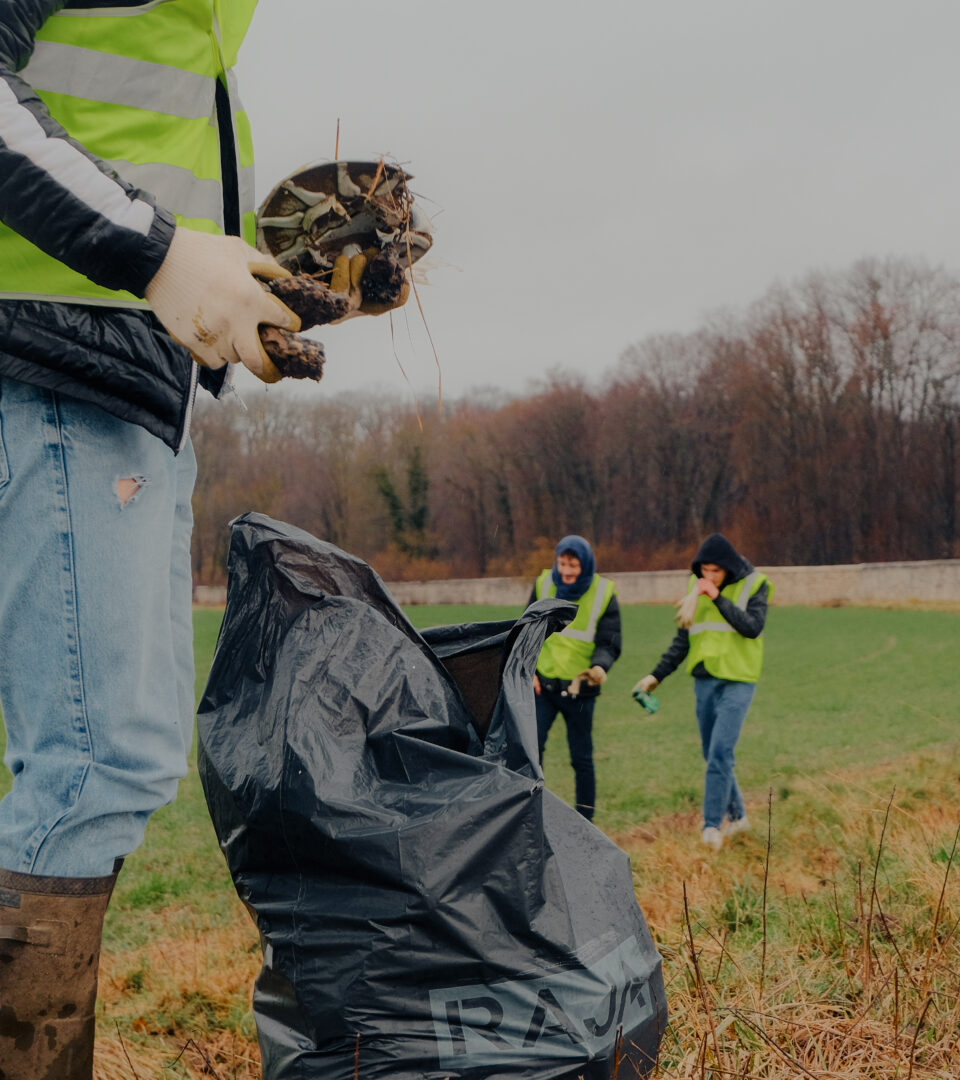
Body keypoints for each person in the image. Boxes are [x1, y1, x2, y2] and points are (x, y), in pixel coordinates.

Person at [0, 4, 402, 1075]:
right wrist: (157, 257)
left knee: (101, 761)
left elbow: (128, 124)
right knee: (96, 765)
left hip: (112, 358)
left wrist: (258, 271)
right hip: (53, 343)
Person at [633, 533, 773, 852]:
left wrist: (717, 598)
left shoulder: (755, 584)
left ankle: (711, 826)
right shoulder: (693, 590)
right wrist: (656, 676)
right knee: (712, 754)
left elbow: (752, 627)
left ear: (729, 569)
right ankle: (738, 818)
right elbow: (682, 641)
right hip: (704, 680)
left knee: (721, 752)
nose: (708, 577)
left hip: (738, 680)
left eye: (716, 571)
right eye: (704, 571)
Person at [528, 536, 622, 821]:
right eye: (563, 563)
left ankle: (585, 821)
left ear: (586, 564)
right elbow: (526, 631)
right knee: (531, 753)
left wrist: (599, 667)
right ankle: (531, 815)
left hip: (580, 690)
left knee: (581, 758)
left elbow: (609, 642)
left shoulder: (603, 593)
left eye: (574, 564)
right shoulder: (544, 584)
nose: (567, 570)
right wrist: (528, 670)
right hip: (543, 687)